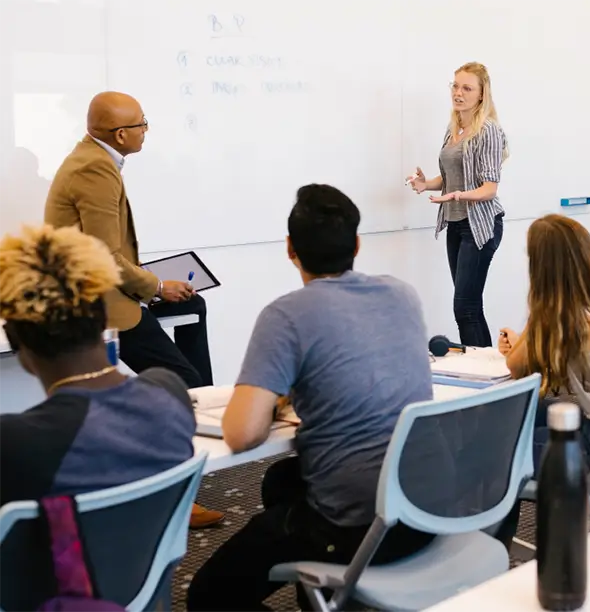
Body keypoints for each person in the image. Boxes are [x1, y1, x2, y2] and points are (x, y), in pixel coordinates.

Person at [187, 184, 436, 611]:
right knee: (281, 481)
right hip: (428, 505)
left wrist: (276, 400)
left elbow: (243, 433)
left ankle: (331, 581)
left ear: (290, 249)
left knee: (207, 595)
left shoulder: (286, 315)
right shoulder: (402, 294)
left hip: (357, 522)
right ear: (357, 244)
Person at [44, 91, 222, 528]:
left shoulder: (97, 158)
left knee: (193, 306)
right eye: (143, 124)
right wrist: (156, 285)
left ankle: (202, 418)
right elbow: (104, 256)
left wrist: (156, 286)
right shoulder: (95, 168)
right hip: (94, 303)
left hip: (108, 287)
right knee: (179, 382)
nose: (146, 130)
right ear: (122, 134)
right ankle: (164, 484)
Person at [0, 224, 196, 506]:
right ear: (104, 316)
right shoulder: (170, 392)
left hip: (63, 552)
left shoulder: (14, 443)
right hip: (155, 551)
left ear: (21, 347)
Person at [498, 214, 590, 497]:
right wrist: (527, 337)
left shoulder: (564, 315)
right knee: (534, 410)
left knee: (500, 445)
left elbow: (516, 368)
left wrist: (537, 309)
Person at [408, 62, 508, 348]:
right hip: (455, 222)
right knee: (469, 308)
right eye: (455, 86)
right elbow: (453, 178)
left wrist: (459, 195)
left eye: (467, 88)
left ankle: (485, 375)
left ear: (481, 94)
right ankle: (486, 371)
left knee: (464, 308)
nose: (458, 93)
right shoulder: (455, 129)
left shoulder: (487, 130)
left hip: (480, 225)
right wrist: (426, 184)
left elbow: (489, 188)